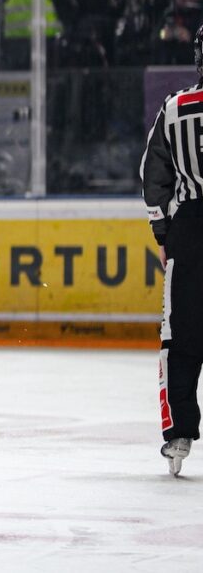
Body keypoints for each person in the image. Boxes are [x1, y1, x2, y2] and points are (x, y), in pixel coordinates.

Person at [141, 24, 203, 476]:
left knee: (180, 334)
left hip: (190, 229)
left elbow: (153, 176)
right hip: (188, 230)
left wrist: (163, 234)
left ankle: (179, 432)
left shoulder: (175, 107)